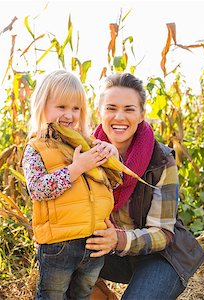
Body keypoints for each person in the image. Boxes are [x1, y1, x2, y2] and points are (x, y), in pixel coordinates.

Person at [86, 73, 204, 299]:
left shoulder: (161, 160)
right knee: (56, 254)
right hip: (111, 251)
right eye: (111, 108)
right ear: (100, 112)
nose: (119, 117)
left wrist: (118, 239)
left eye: (129, 109)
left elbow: (162, 233)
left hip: (160, 255)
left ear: (142, 114)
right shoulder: (86, 154)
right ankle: (99, 293)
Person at [22, 70, 120, 299]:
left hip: (94, 243)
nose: (69, 114)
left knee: (83, 294)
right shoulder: (36, 148)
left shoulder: (87, 144)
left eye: (75, 108)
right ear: (42, 106)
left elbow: (111, 185)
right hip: (59, 245)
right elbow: (37, 189)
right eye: (61, 107)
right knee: (53, 295)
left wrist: (113, 156)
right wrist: (76, 169)